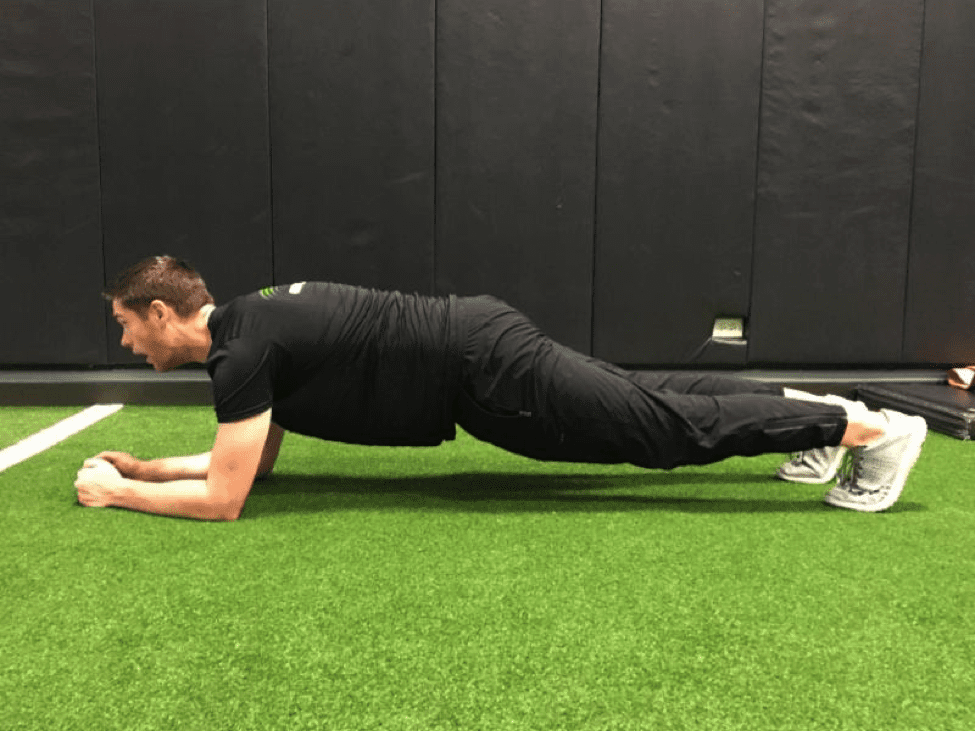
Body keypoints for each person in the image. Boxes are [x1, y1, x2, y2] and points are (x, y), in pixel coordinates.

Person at [75, 256, 928, 521]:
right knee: (647, 401)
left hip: (481, 368)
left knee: (658, 432)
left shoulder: (240, 354)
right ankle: (823, 424)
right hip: (478, 364)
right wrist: (148, 469)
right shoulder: (249, 332)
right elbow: (251, 467)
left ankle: (870, 433)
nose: (123, 340)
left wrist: (117, 498)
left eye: (125, 324)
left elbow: (224, 502)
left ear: (160, 312)